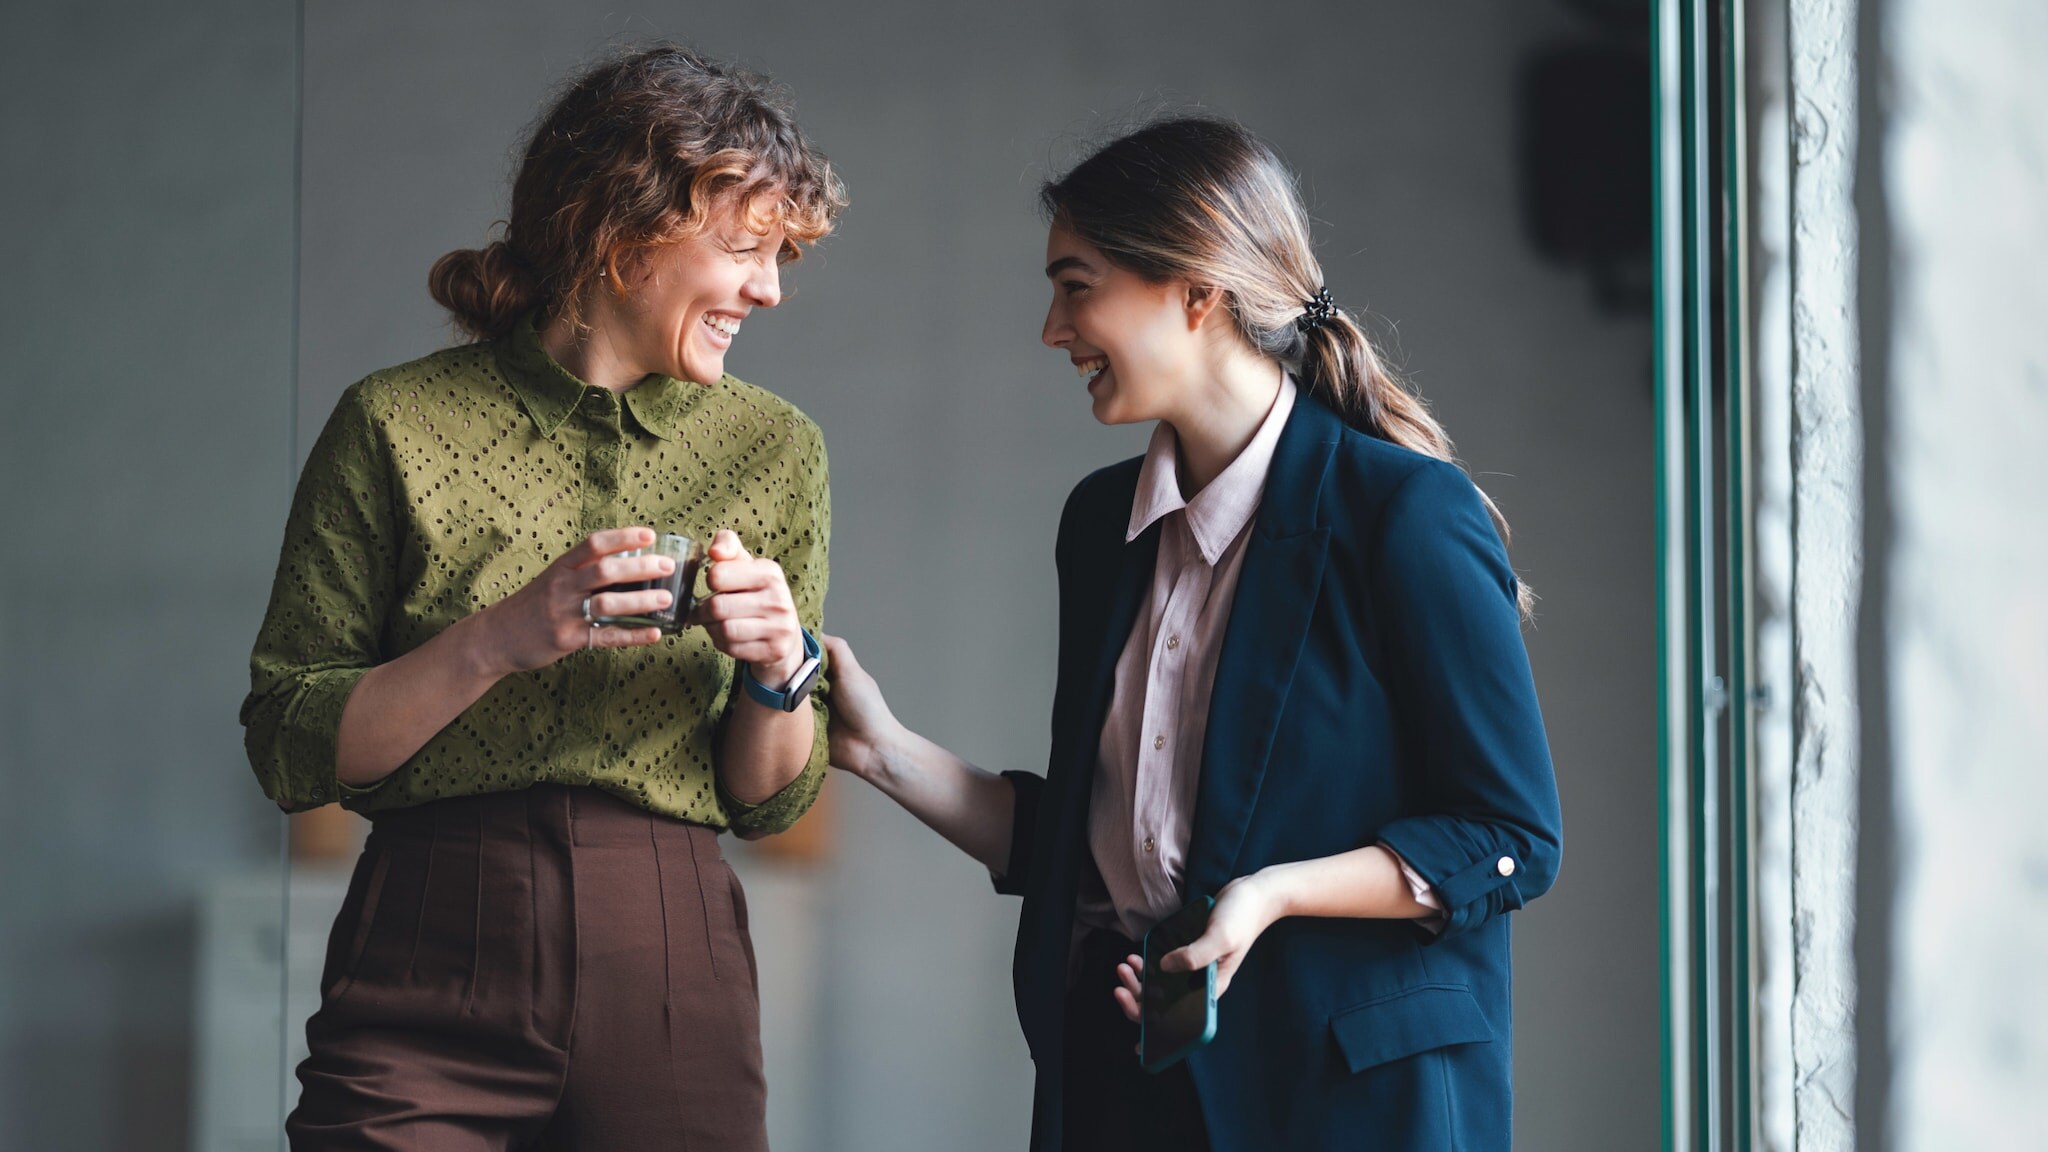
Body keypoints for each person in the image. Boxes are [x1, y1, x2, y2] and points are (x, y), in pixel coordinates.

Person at [824, 116, 1563, 1152]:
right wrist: (878, 752)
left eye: (1075, 285)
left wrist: (1267, 897)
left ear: (1194, 290)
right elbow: (1110, 853)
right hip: (1131, 1096)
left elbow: (1511, 840)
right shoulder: (1098, 528)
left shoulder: (1402, 514)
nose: (1051, 328)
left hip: (1345, 1109)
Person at [240, 44, 843, 1151]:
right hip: (427, 934)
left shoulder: (775, 449)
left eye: (780, 255)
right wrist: (505, 638)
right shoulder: (393, 422)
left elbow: (769, 802)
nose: (767, 288)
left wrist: (773, 677)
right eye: (745, 248)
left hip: (671, 951)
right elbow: (289, 743)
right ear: (625, 234)